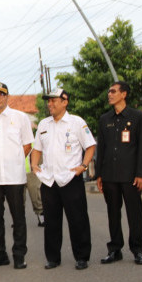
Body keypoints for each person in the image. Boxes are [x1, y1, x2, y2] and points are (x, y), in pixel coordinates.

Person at [31, 89, 95, 270]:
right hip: (49, 180)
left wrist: (83, 166)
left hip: (70, 179)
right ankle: (53, 258)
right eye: (48, 102)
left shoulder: (76, 122)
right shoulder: (44, 124)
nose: (50, 104)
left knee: (78, 219)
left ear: (65, 102)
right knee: (51, 221)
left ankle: (82, 256)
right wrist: (35, 165)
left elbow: (90, 146)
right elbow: (37, 149)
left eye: (53, 101)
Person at [0, 82, 34, 269]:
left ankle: (19, 255)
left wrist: (15, 160)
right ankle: (0, 254)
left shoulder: (20, 117)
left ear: (7, 96)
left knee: (18, 218)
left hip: (14, 177)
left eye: (2, 94)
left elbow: (27, 144)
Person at [96, 81, 142, 265]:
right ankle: (115, 249)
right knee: (113, 213)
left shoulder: (137, 117)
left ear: (123, 94)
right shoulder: (105, 119)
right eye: (109, 91)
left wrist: (141, 174)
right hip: (110, 175)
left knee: (134, 213)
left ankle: (138, 250)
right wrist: (99, 175)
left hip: (131, 176)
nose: (109, 94)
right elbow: (101, 148)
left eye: (113, 91)